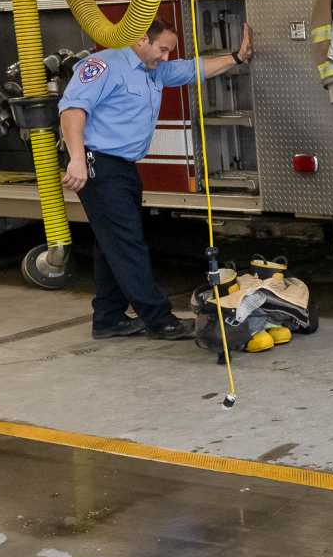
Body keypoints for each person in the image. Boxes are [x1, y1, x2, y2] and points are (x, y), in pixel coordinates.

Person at [59, 19, 253, 340]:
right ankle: (159, 319)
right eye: (162, 49)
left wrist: (236, 57)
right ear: (140, 39)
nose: (166, 57)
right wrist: (77, 158)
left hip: (122, 168)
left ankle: (108, 318)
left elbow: (194, 69)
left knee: (113, 244)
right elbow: (72, 111)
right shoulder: (104, 65)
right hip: (98, 164)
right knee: (128, 243)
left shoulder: (154, 70)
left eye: (169, 52)